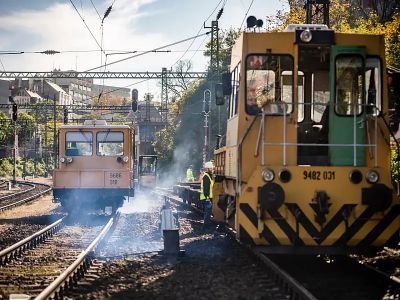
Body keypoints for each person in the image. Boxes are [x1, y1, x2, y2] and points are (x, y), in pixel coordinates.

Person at [200, 161, 214, 230]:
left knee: (208, 212)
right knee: (208, 212)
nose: (212, 169)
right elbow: (206, 189)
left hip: (208, 197)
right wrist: (207, 198)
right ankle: (205, 227)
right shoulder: (206, 176)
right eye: (211, 168)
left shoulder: (209, 176)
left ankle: (206, 226)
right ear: (208, 169)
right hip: (206, 198)